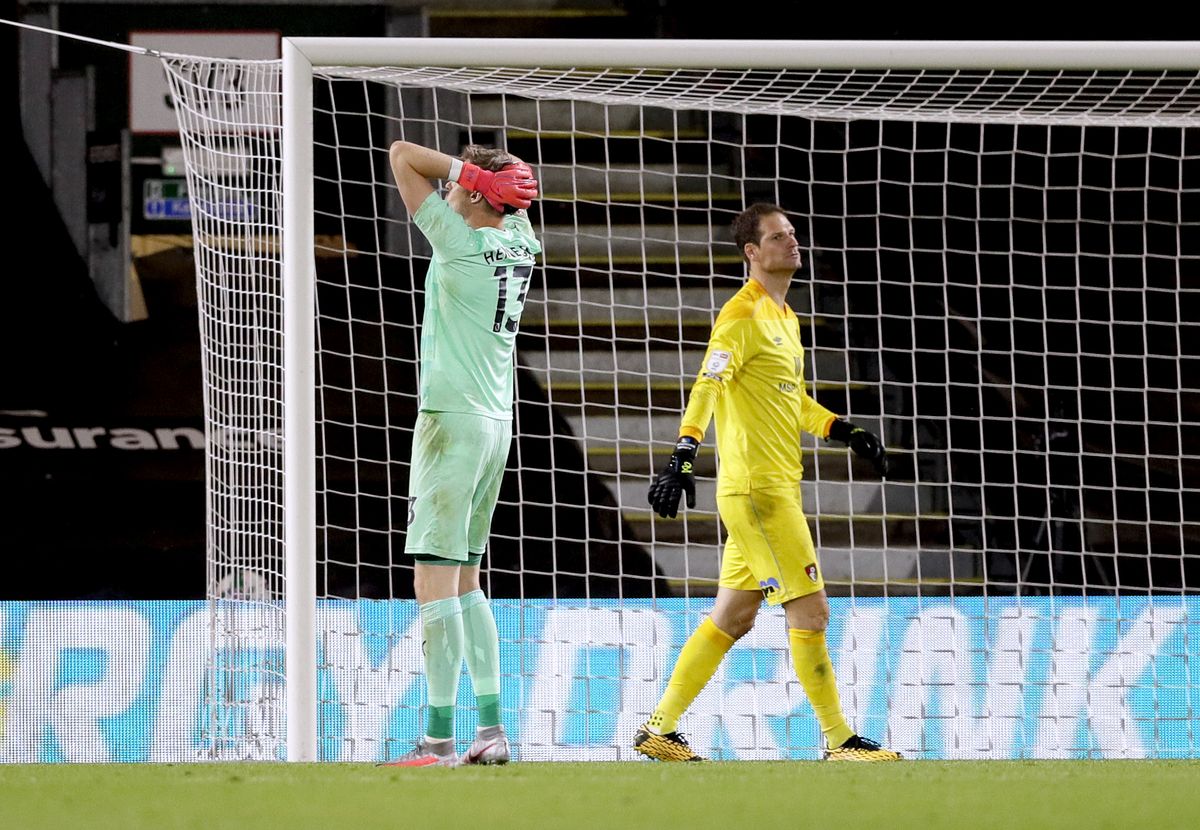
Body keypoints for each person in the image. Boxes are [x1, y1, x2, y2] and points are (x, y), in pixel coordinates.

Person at [635, 203, 901, 763]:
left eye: (794, 234)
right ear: (752, 253)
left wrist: (842, 429)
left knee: (733, 616)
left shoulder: (786, 317)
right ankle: (839, 740)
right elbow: (708, 384)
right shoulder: (741, 315)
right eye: (778, 237)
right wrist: (683, 452)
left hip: (770, 488)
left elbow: (790, 398)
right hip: (758, 493)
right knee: (811, 612)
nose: (792, 243)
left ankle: (659, 729)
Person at [379, 141, 540, 768]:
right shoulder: (524, 243)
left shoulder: (462, 245)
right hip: (497, 424)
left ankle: (439, 739)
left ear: (475, 193)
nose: (447, 194)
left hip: (451, 423)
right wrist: (484, 181)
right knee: (469, 578)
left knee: (433, 581)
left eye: (460, 187)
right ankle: (492, 731)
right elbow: (511, 197)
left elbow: (401, 155)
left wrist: (463, 172)